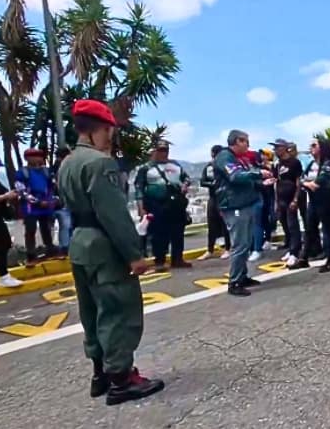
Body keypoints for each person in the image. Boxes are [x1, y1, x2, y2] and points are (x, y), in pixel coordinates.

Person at [58, 99, 164, 406]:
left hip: (80, 243)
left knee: (91, 311)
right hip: (104, 245)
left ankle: (100, 374)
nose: (111, 138)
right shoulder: (100, 163)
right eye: (109, 131)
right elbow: (113, 213)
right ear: (100, 130)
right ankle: (121, 379)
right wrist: (134, 254)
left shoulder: (67, 163)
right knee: (118, 310)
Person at [213, 130, 266, 297]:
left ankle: (242, 276)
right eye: (245, 141)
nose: (248, 145)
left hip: (245, 204)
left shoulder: (238, 159)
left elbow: (245, 178)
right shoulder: (225, 157)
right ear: (237, 141)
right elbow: (235, 177)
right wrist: (258, 174)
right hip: (234, 206)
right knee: (240, 244)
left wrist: (261, 182)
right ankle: (234, 282)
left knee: (246, 243)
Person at [134, 140, 192, 272]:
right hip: (156, 204)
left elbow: (186, 178)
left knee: (178, 232)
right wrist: (141, 208)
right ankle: (159, 261)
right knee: (159, 233)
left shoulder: (175, 165)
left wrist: (185, 185)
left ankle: (177, 259)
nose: (163, 153)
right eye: (160, 150)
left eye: (165, 150)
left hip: (176, 203)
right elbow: (139, 189)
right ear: (154, 151)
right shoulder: (146, 168)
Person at [291, 139, 330, 272]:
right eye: (310, 145)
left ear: (322, 148)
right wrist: (307, 183)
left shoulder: (328, 164)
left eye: (314, 145)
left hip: (328, 202)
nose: (311, 148)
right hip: (313, 201)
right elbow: (302, 180)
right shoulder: (311, 164)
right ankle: (303, 259)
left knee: (328, 231)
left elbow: (316, 184)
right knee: (309, 229)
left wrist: (307, 183)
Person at [15, 148, 59, 266]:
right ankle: (31, 255)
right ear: (27, 158)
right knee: (30, 230)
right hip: (30, 207)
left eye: (40, 156)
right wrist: (38, 202)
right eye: (35, 156)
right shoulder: (22, 173)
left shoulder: (47, 172)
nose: (38, 158)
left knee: (46, 228)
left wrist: (53, 199)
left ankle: (51, 250)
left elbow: (53, 186)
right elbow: (21, 191)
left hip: (46, 205)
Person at [270, 139, 303, 266]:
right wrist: (276, 202)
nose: (275, 150)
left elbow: (298, 182)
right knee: (285, 226)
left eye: (277, 147)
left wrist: (295, 199)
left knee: (293, 225)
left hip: (291, 198)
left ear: (284, 148)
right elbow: (276, 183)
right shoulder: (277, 164)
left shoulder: (294, 162)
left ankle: (295, 252)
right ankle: (290, 248)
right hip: (281, 199)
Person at [198, 145, 231, 261]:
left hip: (223, 198)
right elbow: (202, 181)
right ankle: (210, 250)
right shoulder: (208, 166)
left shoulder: (225, 165)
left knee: (225, 224)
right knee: (211, 225)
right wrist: (214, 184)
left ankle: (228, 249)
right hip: (213, 198)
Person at [0, 153, 21, 287]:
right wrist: (5, 196)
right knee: (1, 244)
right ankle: (4, 276)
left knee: (3, 243)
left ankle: (4, 274)